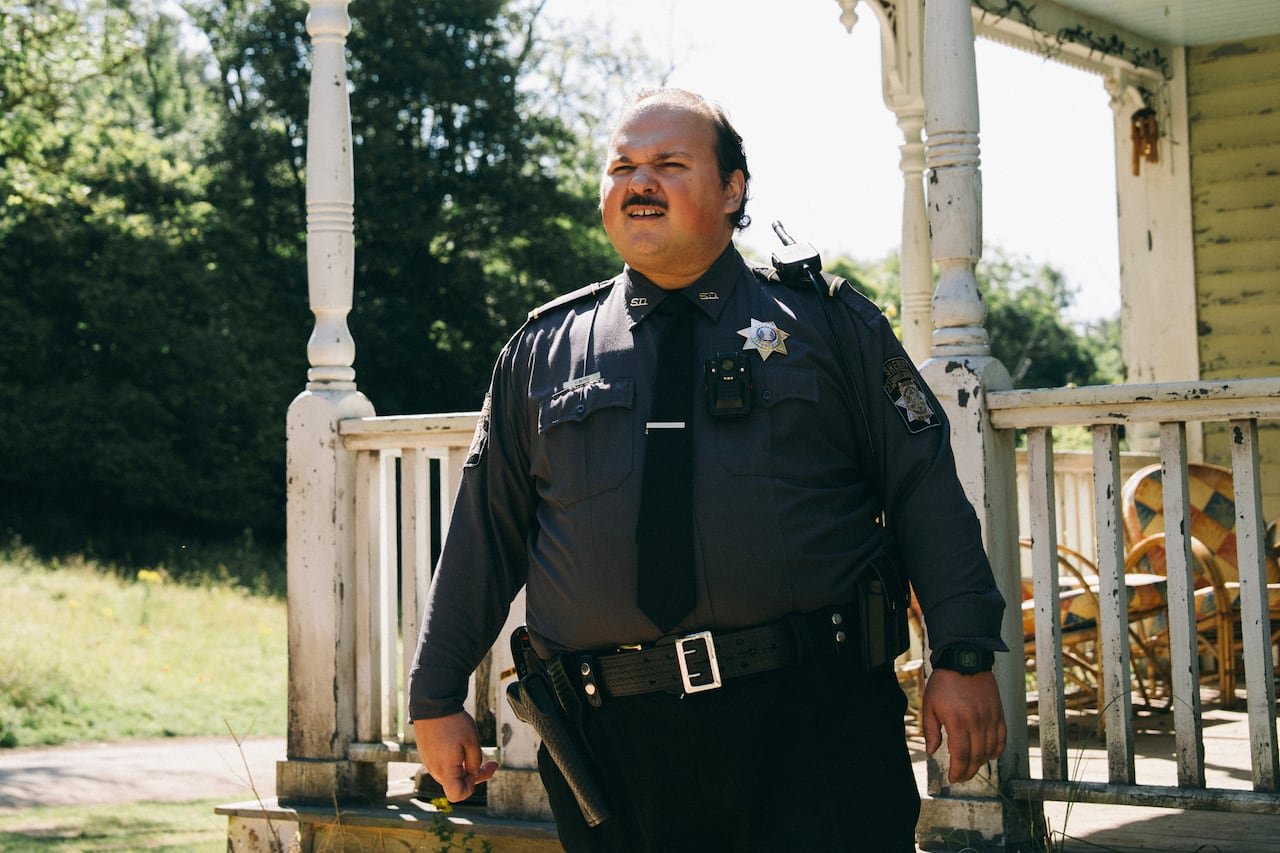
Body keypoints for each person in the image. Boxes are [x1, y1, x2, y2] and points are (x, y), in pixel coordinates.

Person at [409, 87, 1007, 852]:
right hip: (614, 746)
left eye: (668, 163)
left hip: (812, 723)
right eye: (621, 165)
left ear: (734, 190)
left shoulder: (829, 325)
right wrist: (436, 697)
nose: (638, 181)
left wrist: (960, 653)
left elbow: (924, 487)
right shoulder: (541, 352)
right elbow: (482, 537)